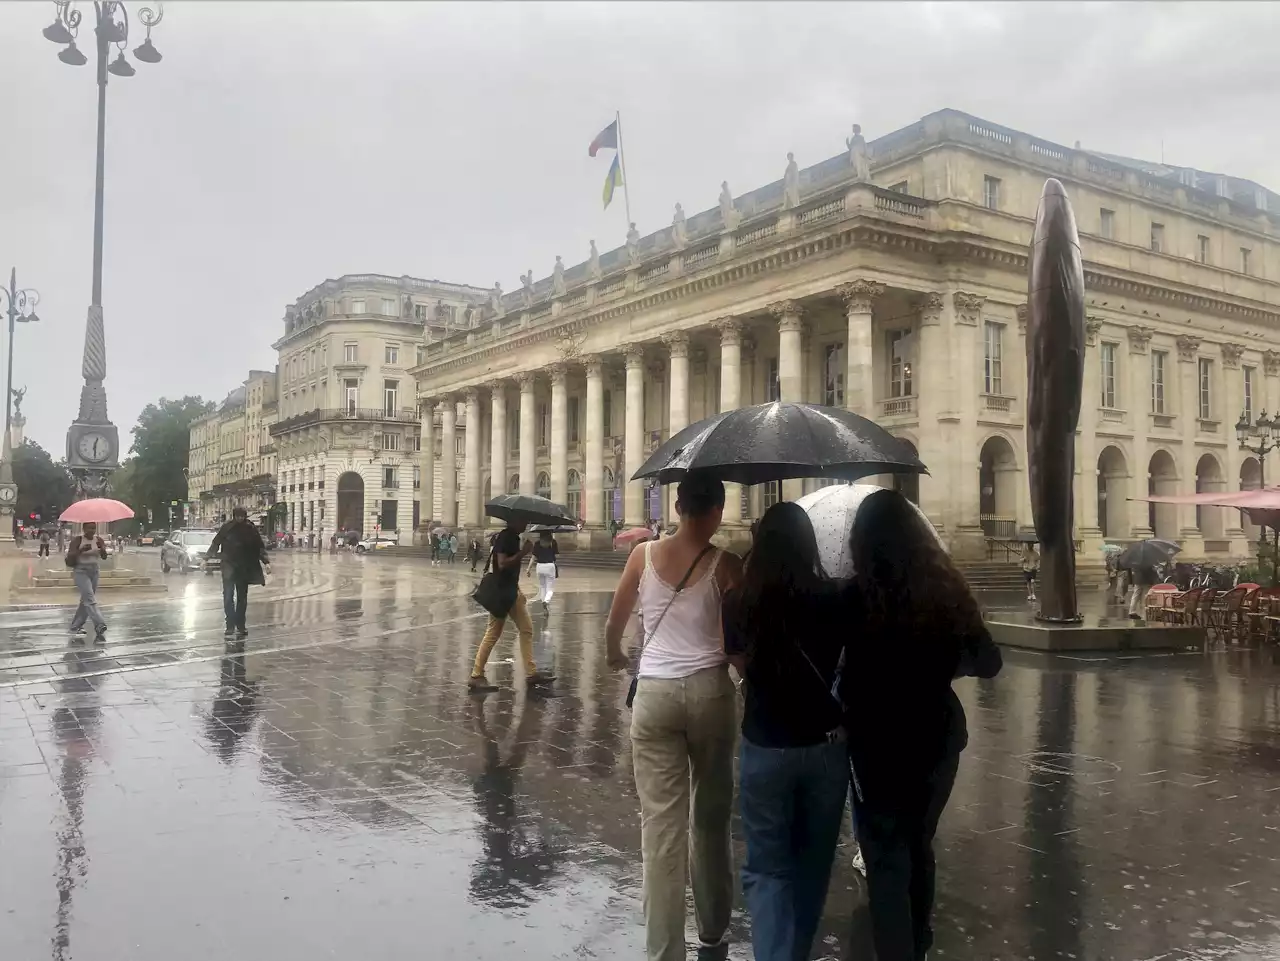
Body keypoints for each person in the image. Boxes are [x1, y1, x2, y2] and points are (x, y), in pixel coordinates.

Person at [843, 489, 1003, 961]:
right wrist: (943, 664)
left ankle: (899, 949)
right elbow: (988, 661)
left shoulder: (854, 594)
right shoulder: (947, 589)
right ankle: (918, 941)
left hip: (875, 740)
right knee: (919, 842)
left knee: (885, 853)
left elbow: (839, 665)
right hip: (936, 736)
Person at [604, 472, 743, 961]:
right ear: (717, 510)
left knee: (661, 827)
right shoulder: (728, 565)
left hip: (656, 694)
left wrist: (617, 658)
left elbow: (614, 625)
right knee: (710, 817)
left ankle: (663, 952)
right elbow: (735, 647)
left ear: (678, 506)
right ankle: (714, 930)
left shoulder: (643, 555)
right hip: (710, 694)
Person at [722, 502, 848, 961]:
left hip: (765, 745)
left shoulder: (737, 601)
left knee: (768, 867)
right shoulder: (836, 597)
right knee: (814, 865)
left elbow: (737, 663)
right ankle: (794, 952)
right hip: (825, 746)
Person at [468, 518, 555, 692]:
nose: (526, 523)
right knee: (493, 632)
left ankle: (531, 674)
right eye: (523, 520)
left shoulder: (512, 537)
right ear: (513, 521)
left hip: (511, 592)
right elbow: (502, 563)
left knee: (526, 629)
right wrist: (524, 552)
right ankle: (476, 675)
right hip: (502, 593)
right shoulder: (506, 537)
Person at [209, 507, 270, 640]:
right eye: (238, 516)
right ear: (234, 516)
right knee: (228, 597)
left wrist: (266, 562)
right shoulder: (227, 528)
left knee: (242, 599)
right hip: (229, 567)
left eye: (242, 517)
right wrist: (206, 558)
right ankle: (230, 625)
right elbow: (216, 542)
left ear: (245, 516)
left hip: (244, 568)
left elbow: (259, 546)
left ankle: (240, 625)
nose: (240, 519)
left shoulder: (250, 529)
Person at [66, 522, 108, 641]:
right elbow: (70, 557)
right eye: (89, 528)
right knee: (90, 598)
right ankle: (99, 624)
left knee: (86, 600)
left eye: (94, 528)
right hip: (81, 571)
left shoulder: (98, 540)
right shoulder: (78, 540)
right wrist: (80, 550)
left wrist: (102, 548)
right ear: (84, 529)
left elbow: (104, 557)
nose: (92, 530)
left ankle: (75, 626)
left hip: (94, 571)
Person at [526, 531, 559, 610]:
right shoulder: (553, 542)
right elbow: (557, 555)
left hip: (540, 566)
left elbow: (533, 558)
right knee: (550, 587)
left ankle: (543, 602)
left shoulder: (537, 543)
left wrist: (528, 569)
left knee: (542, 586)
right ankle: (546, 601)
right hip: (550, 565)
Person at [1126, 556, 1160, 621]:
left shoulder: (1136, 560)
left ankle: (1131, 611)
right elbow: (1148, 571)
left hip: (1138, 580)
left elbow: (1134, 570)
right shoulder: (1147, 560)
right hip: (1146, 580)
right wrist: (1154, 569)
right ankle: (1145, 612)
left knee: (1135, 595)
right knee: (1145, 596)